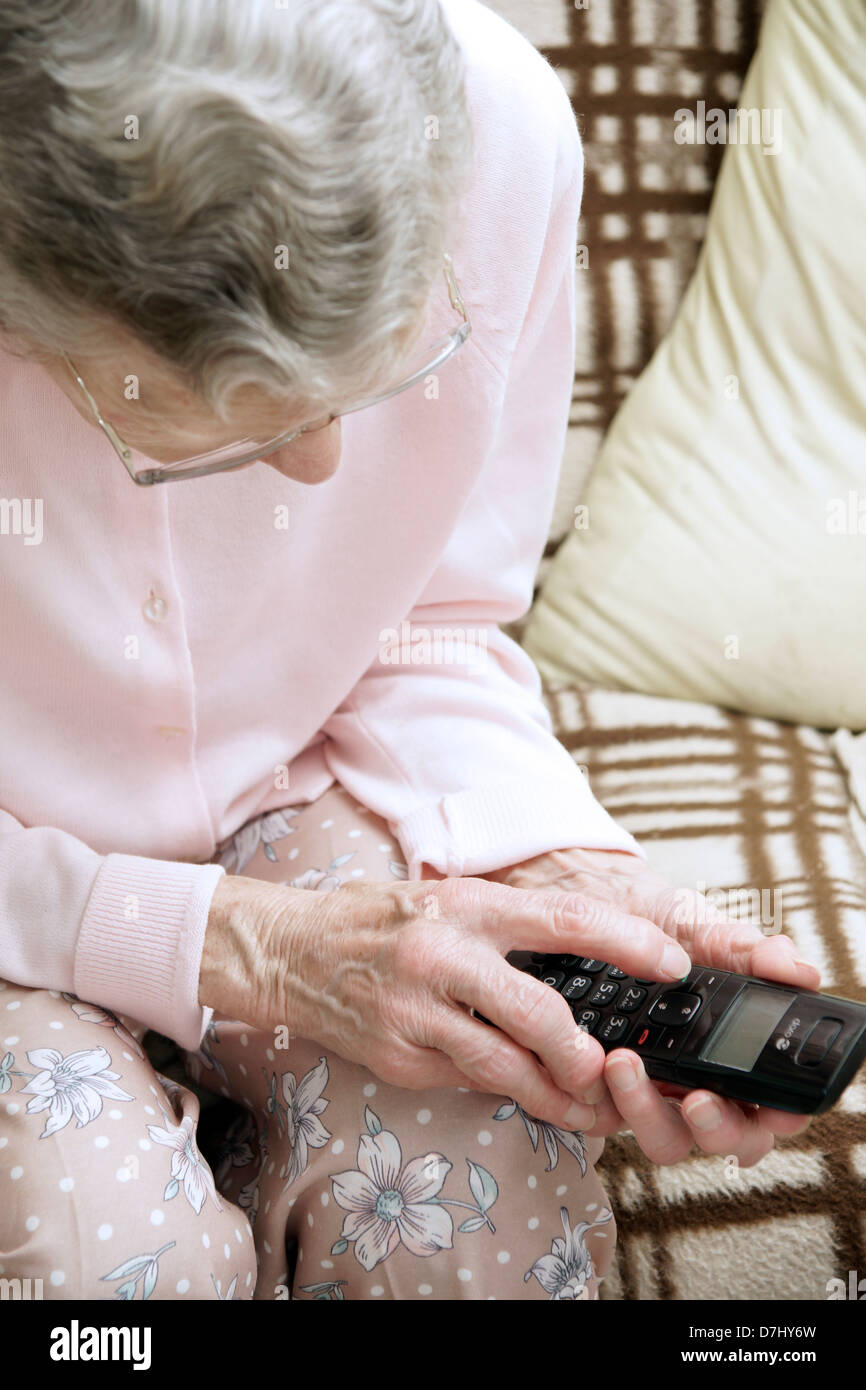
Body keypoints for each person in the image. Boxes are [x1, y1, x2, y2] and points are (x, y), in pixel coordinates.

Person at [0, 0, 816, 1302]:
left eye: (369, 387)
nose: (327, 467)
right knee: (105, 1270)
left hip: (300, 783)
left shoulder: (499, 126)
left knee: (463, 1201)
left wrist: (558, 866)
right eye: (214, 429)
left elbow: (429, 619)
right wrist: (225, 940)